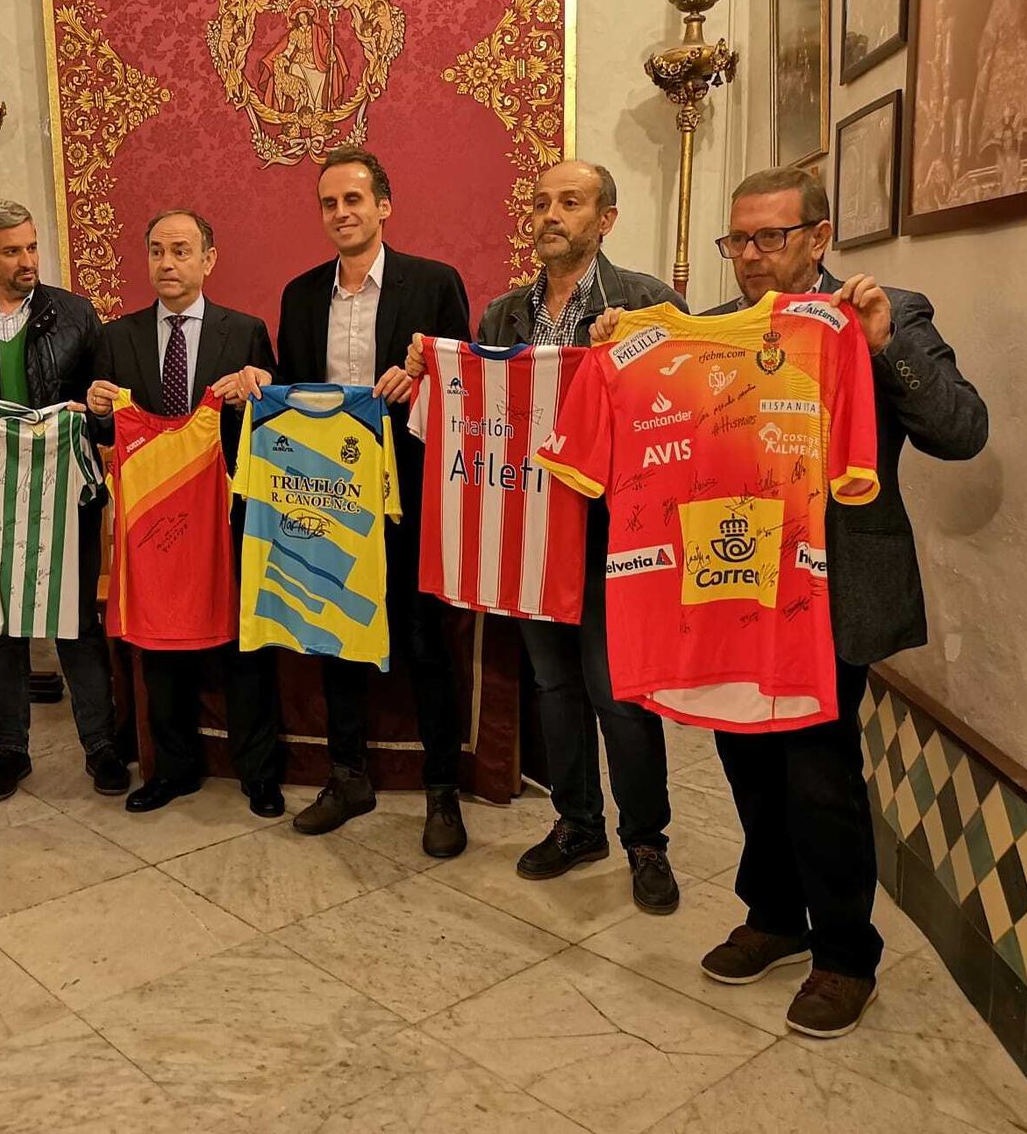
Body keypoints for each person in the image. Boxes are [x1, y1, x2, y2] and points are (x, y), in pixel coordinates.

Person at [620, 166, 987, 1037]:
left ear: (818, 237)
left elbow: (963, 431)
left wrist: (882, 343)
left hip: (830, 587)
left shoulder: (886, 310)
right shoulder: (710, 330)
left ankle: (844, 953)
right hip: (730, 578)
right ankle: (775, 917)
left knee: (819, 776)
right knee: (745, 755)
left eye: (768, 238)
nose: (748, 257)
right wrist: (621, 343)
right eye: (736, 239)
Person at [405, 159, 687, 914]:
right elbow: (475, 405)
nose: (550, 214)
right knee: (555, 687)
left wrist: (634, 352)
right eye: (540, 202)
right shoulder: (501, 317)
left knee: (617, 694)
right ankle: (578, 823)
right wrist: (427, 372)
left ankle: (646, 839)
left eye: (571, 202)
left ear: (606, 219)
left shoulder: (645, 301)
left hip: (609, 538)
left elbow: (682, 409)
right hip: (526, 534)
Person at [271, 145, 472, 858]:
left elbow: (467, 390)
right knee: (336, 632)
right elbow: (290, 395)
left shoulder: (434, 283)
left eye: (353, 200)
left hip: (412, 493)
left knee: (425, 642)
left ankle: (444, 791)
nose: (341, 214)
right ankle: (347, 775)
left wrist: (423, 377)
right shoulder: (298, 296)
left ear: (383, 206)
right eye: (329, 203)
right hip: (329, 495)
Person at [0, 200, 129, 801]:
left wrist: (94, 408)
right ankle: (10, 750)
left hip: (64, 491)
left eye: (33, 247)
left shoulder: (76, 315)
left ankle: (101, 746)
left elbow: (105, 417)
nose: (27, 261)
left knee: (78, 623)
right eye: (12, 251)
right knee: (1, 627)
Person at [86, 210, 284, 817]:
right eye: (156, 251)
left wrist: (260, 382)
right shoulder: (117, 337)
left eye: (180, 251)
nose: (167, 264)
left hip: (227, 515)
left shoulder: (244, 330)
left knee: (244, 649)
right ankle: (172, 769)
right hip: (155, 522)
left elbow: (274, 421)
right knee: (161, 647)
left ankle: (258, 773)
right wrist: (96, 407)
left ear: (208, 259)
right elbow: (107, 429)